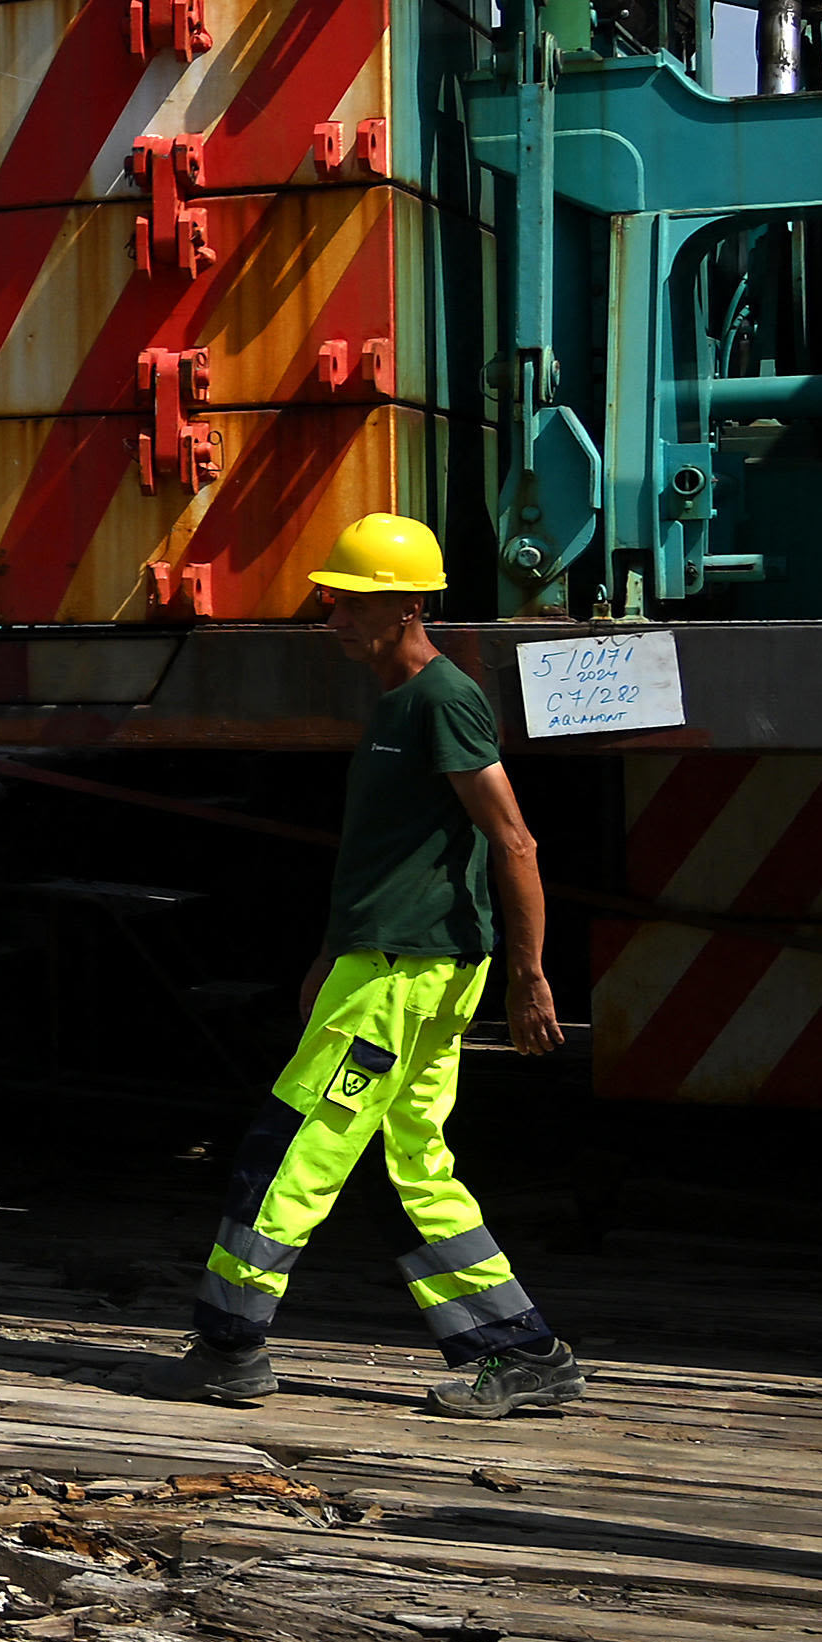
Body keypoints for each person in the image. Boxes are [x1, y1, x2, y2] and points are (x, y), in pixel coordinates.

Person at [159, 514, 586, 1419]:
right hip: (387, 960)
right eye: (331, 601)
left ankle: (228, 1345)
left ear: (405, 604)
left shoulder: (442, 700)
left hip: (403, 976)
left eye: (349, 602)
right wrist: (330, 949)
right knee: (411, 1166)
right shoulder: (398, 701)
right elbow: (383, 853)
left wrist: (531, 973)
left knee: (289, 1155)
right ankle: (522, 1350)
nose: (332, 617)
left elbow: (513, 839)